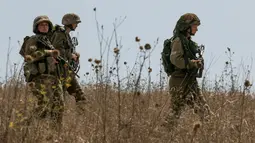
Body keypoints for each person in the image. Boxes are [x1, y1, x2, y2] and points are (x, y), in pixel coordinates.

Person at [163, 13, 213, 129]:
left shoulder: (188, 42)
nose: (197, 29)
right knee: (175, 112)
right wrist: (193, 63)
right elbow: (175, 59)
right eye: (195, 26)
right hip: (179, 80)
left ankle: (211, 134)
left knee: (204, 111)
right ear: (186, 27)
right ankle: (163, 134)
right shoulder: (178, 41)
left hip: (190, 80)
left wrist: (197, 63)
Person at [21, 15, 64, 131]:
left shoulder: (48, 41)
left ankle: (55, 133)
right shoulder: (33, 39)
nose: (44, 27)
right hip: (40, 78)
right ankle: (24, 125)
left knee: (59, 107)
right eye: (41, 25)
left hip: (53, 77)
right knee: (44, 106)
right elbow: (30, 57)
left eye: (46, 25)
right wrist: (48, 52)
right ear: (36, 27)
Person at [50, 13, 86, 103]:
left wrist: (74, 54)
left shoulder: (66, 35)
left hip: (67, 71)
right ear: (69, 23)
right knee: (59, 100)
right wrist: (71, 55)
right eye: (75, 23)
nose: (77, 25)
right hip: (59, 71)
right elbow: (58, 51)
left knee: (80, 97)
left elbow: (66, 50)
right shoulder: (59, 34)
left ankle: (81, 117)